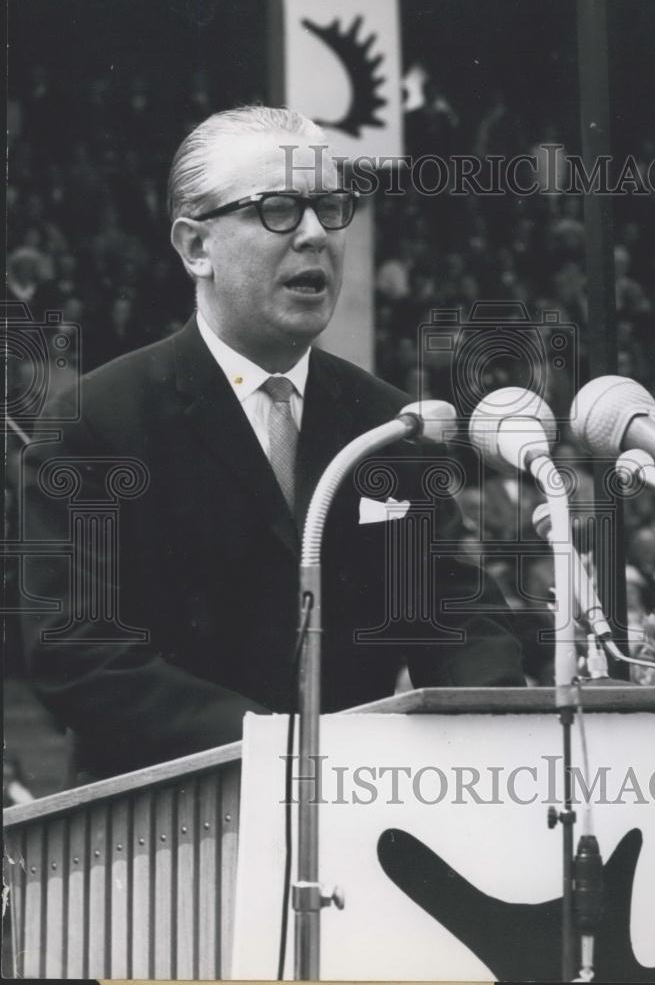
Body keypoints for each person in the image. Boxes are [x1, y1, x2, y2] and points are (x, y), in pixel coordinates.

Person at [21, 106, 525, 782]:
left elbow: (453, 617)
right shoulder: (97, 422)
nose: (315, 234)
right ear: (196, 246)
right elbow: (79, 652)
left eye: (329, 206)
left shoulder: (392, 425)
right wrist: (275, 749)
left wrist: (493, 725)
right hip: (170, 830)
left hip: (361, 825)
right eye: (279, 209)